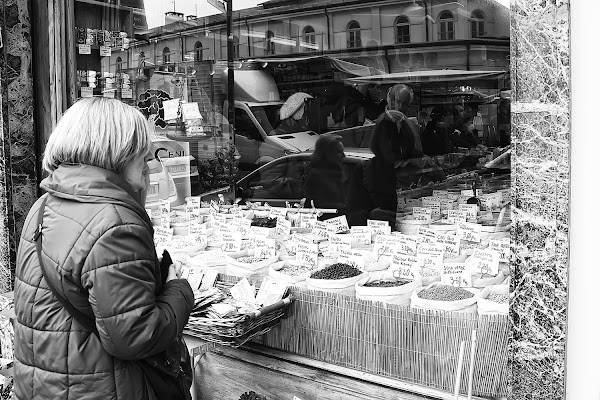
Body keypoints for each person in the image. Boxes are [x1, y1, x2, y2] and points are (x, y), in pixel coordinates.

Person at [13, 97, 194, 399]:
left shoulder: (45, 204)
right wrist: (179, 289)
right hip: (100, 386)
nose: (148, 157)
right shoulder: (115, 222)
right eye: (141, 149)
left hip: (45, 382)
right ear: (117, 150)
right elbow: (135, 336)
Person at [304, 134, 346, 215]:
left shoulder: (341, 171)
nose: (344, 156)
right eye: (339, 152)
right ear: (327, 153)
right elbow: (319, 205)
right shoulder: (316, 176)